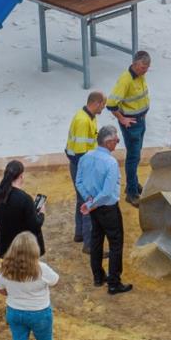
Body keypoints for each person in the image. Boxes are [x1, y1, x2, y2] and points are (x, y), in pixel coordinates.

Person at [0, 233, 61, 340]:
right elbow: (55, 280)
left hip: (15, 311)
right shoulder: (41, 268)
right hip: (39, 312)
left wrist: (11, 294)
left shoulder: (5, 268)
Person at [77, 126, 132, 295]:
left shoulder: (85, 157)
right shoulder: (110, 162)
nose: (117, 143)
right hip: (107, 208)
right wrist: (94, 203)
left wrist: (89, 200)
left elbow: (79, 181)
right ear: (108, 142)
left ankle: (98, 277)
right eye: (116, 140)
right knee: (116, 243)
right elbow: (107, 191)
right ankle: (114, 283)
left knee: (96, 239)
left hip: (93, 207)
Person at [107, 51, 152, 205]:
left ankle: (133, 184)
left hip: (140, 121)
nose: (144, 71)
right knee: (133, 158)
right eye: (142, 68)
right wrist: (122, 119)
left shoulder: (140, 76)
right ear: (134, 64)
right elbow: (111, 104)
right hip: (131, 124)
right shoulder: (125, 80)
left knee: (136, 155)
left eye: (147, 68)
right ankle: (131, 193)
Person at [66, 91, 106, 247]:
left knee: (81, 200)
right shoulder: (83, 121)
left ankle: (80, 234)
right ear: (96, 103)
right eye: (103, 104)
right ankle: (90, 244)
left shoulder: (89, 117)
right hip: (81, 166)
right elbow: (81, 153)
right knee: (89, 202)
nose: (104, 107)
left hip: (78, 165)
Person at [0, 160, 44, 259]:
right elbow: (35, 225)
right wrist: (41, 213)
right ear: (21, 176)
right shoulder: (25, 199)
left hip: (3, 244)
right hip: (21, 246)